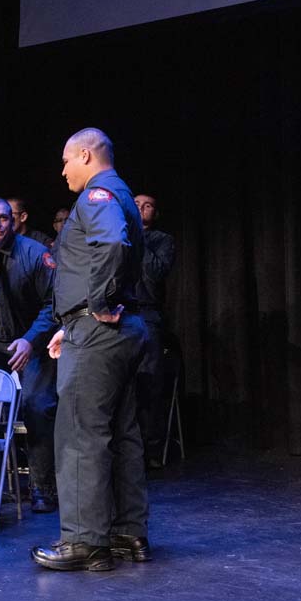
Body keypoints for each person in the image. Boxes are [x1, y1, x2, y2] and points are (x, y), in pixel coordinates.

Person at [31, 127, 149, 572]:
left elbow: (113, 245)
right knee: (121, 433)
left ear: (85, 155)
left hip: (98, 331)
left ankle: (84, 541)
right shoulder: (122, 193)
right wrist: (73, 319)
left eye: (65, 161)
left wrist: (94, 304)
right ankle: (127, 534)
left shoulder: (96, 196)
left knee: (80, 434)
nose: (62, 171)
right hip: (118, 330)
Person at [0, 198, 60, 513]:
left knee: (37, 406)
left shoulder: (35, 254)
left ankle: (43, 487)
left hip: (30, 345)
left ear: (14, 221)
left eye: (3, 218)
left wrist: (31, 340)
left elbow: (54, 305)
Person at [134, 193, 176, 468]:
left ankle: (151, 450)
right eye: (135, 205)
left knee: (149, 383)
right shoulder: (119, 236)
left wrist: (137, 237)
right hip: (120, 314)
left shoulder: (162, 240)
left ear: (155, 213)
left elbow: (155, 273)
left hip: (148, 314)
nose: (139, 209)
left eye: (146, 205)